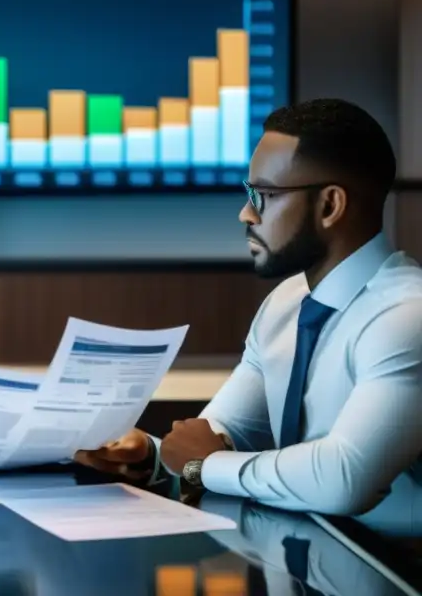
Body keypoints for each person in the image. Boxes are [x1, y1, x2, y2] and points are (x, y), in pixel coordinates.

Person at [75, 98, 422, 516]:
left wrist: (208, 464)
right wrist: (151, 457)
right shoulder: (285, 304)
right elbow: (217, 437)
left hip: (390, 573)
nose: (246, 214)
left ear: (330, 206)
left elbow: (342, 479)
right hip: (298, 560)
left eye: (265, 195)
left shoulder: (407, 316)